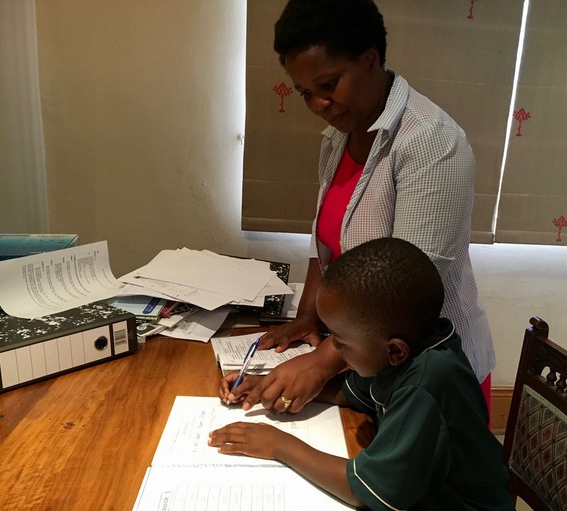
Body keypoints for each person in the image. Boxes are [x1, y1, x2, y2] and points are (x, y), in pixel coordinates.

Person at [240, 0, 495, 415]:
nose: (319, 104)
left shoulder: (431, 142)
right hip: (360, 363)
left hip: (427, 379)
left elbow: (409, 288)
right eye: (306, 92)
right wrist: (308, 317)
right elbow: (326, 241)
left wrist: (321, 362)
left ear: (370, 59)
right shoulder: (338, 138)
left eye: (329, 84)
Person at [210, 238, 513, 511]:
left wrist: (278, 445)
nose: (335, 351)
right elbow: (350, 393)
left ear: (394, 350)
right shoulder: (409, 350)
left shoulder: (428, 382)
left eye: (341, 343)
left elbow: (367, 491)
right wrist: (267, 387)